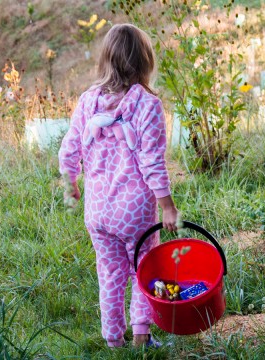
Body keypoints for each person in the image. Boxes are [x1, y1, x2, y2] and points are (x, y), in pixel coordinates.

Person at [58, 23, 178, 348]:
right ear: (145, 61)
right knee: (145, 269)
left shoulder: (87, 101)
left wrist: (70, 180)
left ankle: (113, 340)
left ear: (105, 59)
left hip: (97, 210)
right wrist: (167, 206)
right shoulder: (147, 105)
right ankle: (141, 336)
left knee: (109, 273)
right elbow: (153, 162)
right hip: (134, 210)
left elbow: (69, 147)